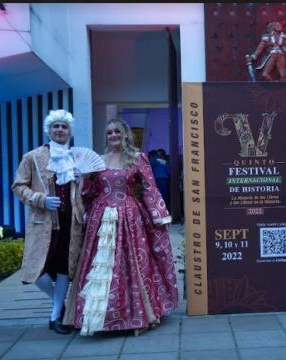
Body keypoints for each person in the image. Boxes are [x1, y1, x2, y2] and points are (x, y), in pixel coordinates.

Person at [63, 119, 179, 336]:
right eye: (109, 133)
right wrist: (84, 180)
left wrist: (159, 214)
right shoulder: (98, 160)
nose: (113, 135)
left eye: (117, 131)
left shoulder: (137, 158)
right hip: (101, 216)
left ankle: (137, 316)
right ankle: (100, 319)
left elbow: (148, 188)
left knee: (131, 264)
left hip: (130, 216)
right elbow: (90, 192)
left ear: (125, 134)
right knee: (101, 266)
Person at [11, 109, 85, 334]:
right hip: (43, 224)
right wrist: (40, 199)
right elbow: (18, 186)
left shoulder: (75, 158)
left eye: (64, 127)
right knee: (37, 271)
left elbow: (81, 192)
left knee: (63, 268)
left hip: (70, 223)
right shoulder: (32, 157)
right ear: (49, 130)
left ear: (70, 131)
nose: (60, 130)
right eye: (56, 126)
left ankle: (55, 317)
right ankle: (59, 303)